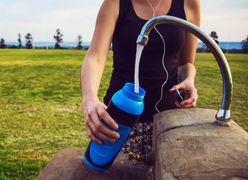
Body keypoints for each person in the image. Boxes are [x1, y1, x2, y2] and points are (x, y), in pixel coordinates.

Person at [81, 0, 200, 161]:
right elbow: (95, 57)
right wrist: (89, 98)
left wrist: (189, 79)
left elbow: (187, 62)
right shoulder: (115, 3)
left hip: (171, 118)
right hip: (121, 120)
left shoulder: (189, 3)